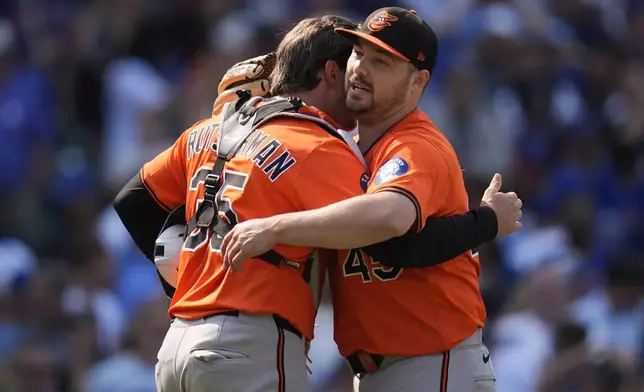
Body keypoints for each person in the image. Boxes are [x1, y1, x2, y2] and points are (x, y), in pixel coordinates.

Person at [115, 13, 520, 392]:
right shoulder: (321, 147)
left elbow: (133, 201)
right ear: (331, 72)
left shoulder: (216, 129)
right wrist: (484, 223)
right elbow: (388, 239)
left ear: (418, 82)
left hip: (429, 360)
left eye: (382, 62)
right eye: (358, 55)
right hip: (257, 343)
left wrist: (189, 268)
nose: (359, 70)